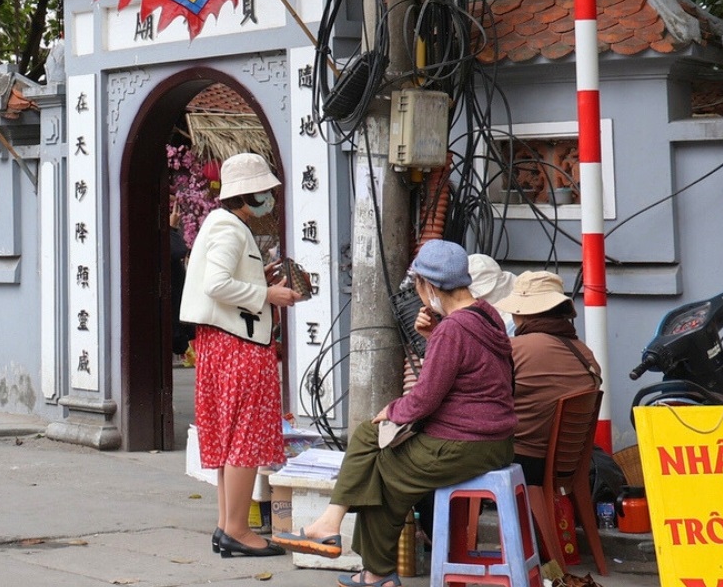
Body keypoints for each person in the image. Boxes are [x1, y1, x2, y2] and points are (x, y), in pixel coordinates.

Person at [276, 240, 516, 585]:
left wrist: (391, 409)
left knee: (379, 469)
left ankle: (372, 568)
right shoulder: (486, 315)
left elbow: (423, 400)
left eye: (418, 286)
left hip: (465, 443)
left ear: (429, 286)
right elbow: (466, 372)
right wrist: (433, 337)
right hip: (496, 439)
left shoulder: (454, 329)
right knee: (368, 442)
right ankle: (346, 541)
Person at [180, 152, 300, 559]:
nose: (268, 197)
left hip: (219, 343)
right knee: (244, 436)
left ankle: (226, 525)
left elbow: (221, 281)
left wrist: (258, 280)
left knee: (229, 435)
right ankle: (236, 529)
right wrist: (267, 294)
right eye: (264, 191)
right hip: (239, 345)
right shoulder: (232, 230)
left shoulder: (220, 224)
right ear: (249, 195)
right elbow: (217, 284)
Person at [495, 270, 603, 491]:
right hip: (568, 465)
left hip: (522, 463)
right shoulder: (586, 354)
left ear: (522, 313)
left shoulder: (515, 349)